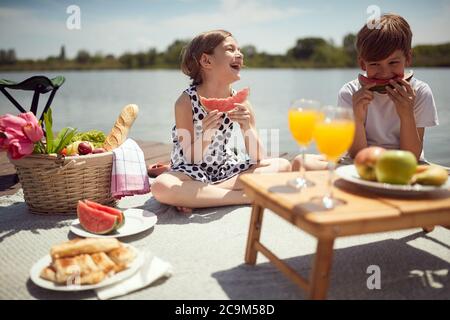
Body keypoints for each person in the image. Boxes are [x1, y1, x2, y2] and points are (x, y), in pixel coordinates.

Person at [151, 30, 291, 213]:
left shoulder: (242, 103)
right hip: (189, 172)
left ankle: (201, 196)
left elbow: (258, 158)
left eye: (239, 49)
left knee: (282, 166)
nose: (239, 54)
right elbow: (190, 157)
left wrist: (248, 127)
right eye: (230, 49)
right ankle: (242, 196)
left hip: (225, 170)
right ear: (206, 61)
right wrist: (207, 135)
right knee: (161, 186)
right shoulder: (185, 102)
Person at [338, 13, 438, 161]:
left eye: (393, 63)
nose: (384, 73)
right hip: (362, 163)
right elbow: (356, 155)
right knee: (302, 161)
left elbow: (412, 157)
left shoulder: (420, 92)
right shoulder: (351, 93)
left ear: (408, 58)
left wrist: (406, 114)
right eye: (374, 64)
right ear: (362, 64)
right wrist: (357, 119)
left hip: (406, 165)